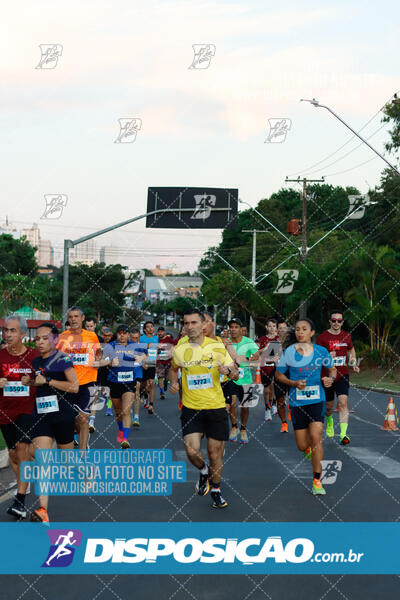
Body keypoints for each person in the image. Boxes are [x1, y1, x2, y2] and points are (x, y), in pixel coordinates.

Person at [169, 309, 237, 508]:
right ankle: (203, 471)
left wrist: (229, 371)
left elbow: (236, 373)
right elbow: (174, 370)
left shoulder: (216, 346)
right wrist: (174, 382)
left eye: (194, 323)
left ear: (202, 324)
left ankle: (216, 491)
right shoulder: (180, 347)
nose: (190, 327)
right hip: (192, 408)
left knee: (215, 453)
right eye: (186, 323)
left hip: (215, 407)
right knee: (191, 451)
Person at [275, 318, 336, 495]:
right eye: (298, 330)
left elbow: (332, 370)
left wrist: (329, 379)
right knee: (302, 445)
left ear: (312, 332)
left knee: (316, 437)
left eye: (304, 329)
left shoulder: (321, 351)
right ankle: (308, 450)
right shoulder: (288, 353)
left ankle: (317, 481)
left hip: (317, 401)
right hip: (297, 402)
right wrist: (293, 383)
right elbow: (279, 375)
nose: (300, 332)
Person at [28, 323, 79, 523]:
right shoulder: (35, 361)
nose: (40, 342)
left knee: (67, 461)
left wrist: (48, 381)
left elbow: (74, 387)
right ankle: (43, 511)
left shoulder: (62, 359)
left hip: (62, 414)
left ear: (55, 340)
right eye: (37, 339)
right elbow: (38, 383)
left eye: (44, 338)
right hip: (42, 414)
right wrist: (29, 382)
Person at [0, 315, 39, 519]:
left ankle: (20, 500)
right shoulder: (0, 356)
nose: (8, 334)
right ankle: (24, 484)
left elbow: (43, 380)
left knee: (22, 450)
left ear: (23, 334)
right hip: (5, 411)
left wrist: (31, 382)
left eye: (13, 330)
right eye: (6, 330)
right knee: (14, 455)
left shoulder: (33, 356)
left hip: (27, 409)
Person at [57, 306, 101, 450]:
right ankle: (80, 436)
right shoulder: (62, 337)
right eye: (70, 317)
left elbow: (98, 352)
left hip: (88, 381)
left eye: (76, 316)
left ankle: (83, 453)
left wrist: (98, 361)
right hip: (69, 383)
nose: (73, 319)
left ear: (82, 318)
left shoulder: (91, 336)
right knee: (72, 419)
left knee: (83, 419)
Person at [316, 310, 360, 445]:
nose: (336, 323)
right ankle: (329, 421)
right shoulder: (323, 337)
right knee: (329, 407)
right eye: (333, 320)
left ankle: (343, 434)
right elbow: (316, 357)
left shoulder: (346, 336)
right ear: (330, 321)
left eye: (339, 321)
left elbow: (351, 349)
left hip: (343, 375)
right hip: (327, 376)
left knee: (343, 402)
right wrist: (328, 356)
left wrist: (353, 363)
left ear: (342, 323)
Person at [103, 324, 147, 447]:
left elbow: (146, 355)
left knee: (126, 411)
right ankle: (121, 430)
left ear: (128, 335)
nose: (122, 335)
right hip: (114, 382)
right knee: (118, 412)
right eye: (120, 333)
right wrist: (110, 362)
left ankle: (125, 439)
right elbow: (99, 360)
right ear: (117, 335)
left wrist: (141, 357)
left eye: (124, 333)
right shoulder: (110, 347)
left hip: (129, 382)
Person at [225, 318, 259, 444]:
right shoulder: (227, 343)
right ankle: (234, 427)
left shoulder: (248, 342)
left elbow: (256, 356)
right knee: (232, 403)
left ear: (241, 329)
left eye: (235, 327)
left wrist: (246, 358)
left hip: (246, 379)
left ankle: (243, 428)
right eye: (231, 327)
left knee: (245, 406)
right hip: (231, 379)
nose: (233, 329)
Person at [257, 318, 280, 422]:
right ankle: (267, 408)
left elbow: (282, 352)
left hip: (276, 366)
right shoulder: (262, 339)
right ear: (266, 327)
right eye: (270, 326)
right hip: (265, 366)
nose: (272, 328)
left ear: (276, 327)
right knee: (267, 390)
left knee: (274, 387)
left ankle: (274, 403)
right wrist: (264, 349)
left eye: (274, 326)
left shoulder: (279, 339)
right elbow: (256, 353)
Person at [139, 322, 158, 414]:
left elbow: (156, 350)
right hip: (143, 364)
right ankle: (145, 395)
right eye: (148, 327)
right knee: (143, 385)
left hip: (152, 364)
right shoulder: (142, 338)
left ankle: (151, 405)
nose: (150, 328)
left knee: (151, 384)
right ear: (145, 329)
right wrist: (147, 346)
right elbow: (138, 349)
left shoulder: (156, 338)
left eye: (152, 326)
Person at [156, 327, 175, 400]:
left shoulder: (168, 339)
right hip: (159, 361)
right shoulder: (156, 339)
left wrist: (170, 351)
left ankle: (166, 382)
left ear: (164, 332)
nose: (160, 333)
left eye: (161, 331)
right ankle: (161, 392)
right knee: (160, 376)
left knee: (167, 377)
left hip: (168, 361)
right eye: (159, 331)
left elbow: (174, 345)